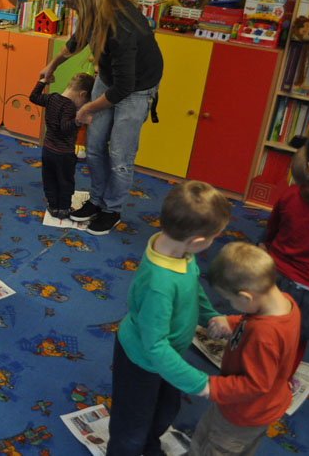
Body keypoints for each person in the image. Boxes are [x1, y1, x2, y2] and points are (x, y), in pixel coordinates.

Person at [107, 180, 230, 456]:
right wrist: (201, 384)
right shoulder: (159, 285)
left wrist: (211, 315)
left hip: (167, 355)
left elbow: (193, 285)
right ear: (197, 241)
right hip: (142, 360)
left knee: (165, 409)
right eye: (214, 237)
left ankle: (149, 445)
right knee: (131, 426)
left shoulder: (177, 249)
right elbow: (155, 346)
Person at [40, 0, 164, 235]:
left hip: (136, 88)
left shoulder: (122, 25)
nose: (70, 6)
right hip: (111, 79)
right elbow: (79, 38)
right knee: (94, 146)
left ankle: (112, 209)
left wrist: (87, 108)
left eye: (71, 1)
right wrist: (53, 64)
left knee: (120, 155)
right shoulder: (94, 9)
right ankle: (97, 200)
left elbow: (122, 89)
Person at [188, 242, 300, 456]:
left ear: (246, 297)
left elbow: (255, 385)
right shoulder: (284, 301)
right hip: (252, 406)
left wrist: (212, 387)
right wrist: (231, 321)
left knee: (219, 447)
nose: (229, 303)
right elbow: (252, 319)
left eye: (230, 300)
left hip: (242, 414)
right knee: (215, 437)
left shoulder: (263, 336)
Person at [262, 132, 309, 375]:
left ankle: (252, 371)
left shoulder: (290, 195)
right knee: (296, 339)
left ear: (308, 165)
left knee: (263, 327)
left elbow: (270, 232)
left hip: (276, 277)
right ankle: (281, 379)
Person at [29, 72, 94, 219]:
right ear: (82, 94)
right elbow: (65, 128)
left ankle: (53, 206)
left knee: (49, 178)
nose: (82, 106)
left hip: (48, 149)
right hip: (64, 153)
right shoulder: (69, 106)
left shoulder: (52, 98)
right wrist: (79, 120)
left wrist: (43, 81)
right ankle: (64, 208)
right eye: (84, 102)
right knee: (65, 181)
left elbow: (33, 97)